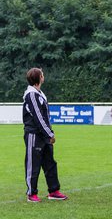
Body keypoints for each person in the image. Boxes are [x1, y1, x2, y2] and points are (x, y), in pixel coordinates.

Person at [23, 68, 68, 202]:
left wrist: (48, 133)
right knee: (33, 164)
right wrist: (50, 133)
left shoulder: (39, 94)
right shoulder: (31, 95)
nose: (44, 76)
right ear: (38, 78)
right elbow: (38, 118)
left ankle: (53, 191)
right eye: (42, 74)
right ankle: (32, 194)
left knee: (50, 164)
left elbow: (44, 117)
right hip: (34, 135)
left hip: (44, 135)